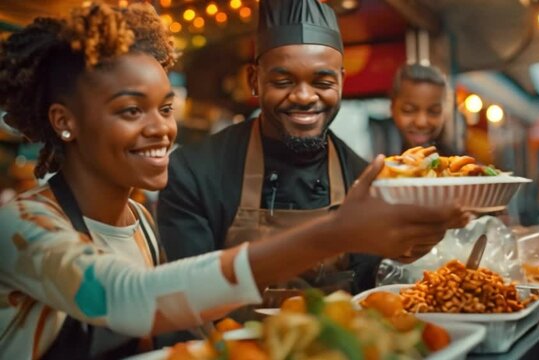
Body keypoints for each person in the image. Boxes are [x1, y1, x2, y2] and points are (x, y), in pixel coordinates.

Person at [0, 3, 468, 358]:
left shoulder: (138, 219)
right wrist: (335, 232)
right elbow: (130, 298)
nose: (161, 128)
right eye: (130, 110)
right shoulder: (19, 225)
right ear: (65, 121)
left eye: (166, 107)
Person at [158, 0, 460, 295]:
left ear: (341, 82)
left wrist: (404, 251)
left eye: (322, 82)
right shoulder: (193, 173)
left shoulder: (363, 178)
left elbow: (369, 301)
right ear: (254, 80)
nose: (304, 96)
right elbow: (182, 303)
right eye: (283, 80)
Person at [370, 63, 453, 156]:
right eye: (408, 110)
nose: (421, 122)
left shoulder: (457, 166)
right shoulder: (374, 160)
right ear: (392, 108)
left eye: (434, 112)